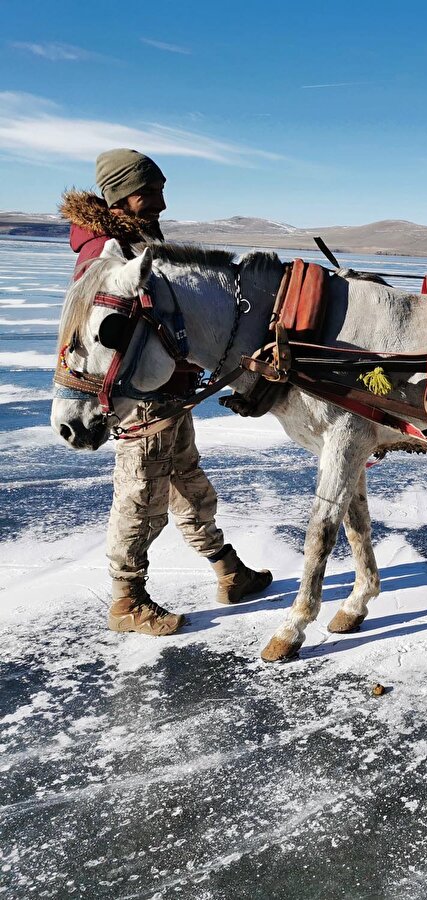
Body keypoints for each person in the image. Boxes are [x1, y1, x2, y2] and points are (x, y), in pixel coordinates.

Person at [59, 149, 272, 636]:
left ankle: (229, 570)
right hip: (141, 398)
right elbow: (108, 335)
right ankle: (126, 601)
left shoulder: (134, 240)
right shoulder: (106, 254)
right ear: (119, 195)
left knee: (188, 483)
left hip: (169, 389)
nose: (160, 203)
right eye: (149, 193)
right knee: (139, 496)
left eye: (160, 191)